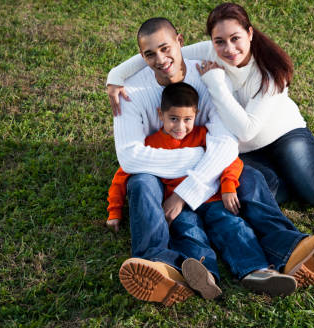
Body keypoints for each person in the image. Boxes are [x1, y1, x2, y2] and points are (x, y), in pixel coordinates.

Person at [109, 17, 314, 305]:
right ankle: (160, 265)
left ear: (181, 41)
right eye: (150, 54)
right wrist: (203, 159)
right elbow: (129, 157)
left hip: (208, 174)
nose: (161, 60)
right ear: (141, 57)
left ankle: (290, 249)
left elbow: (226, 144)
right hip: (162, 178)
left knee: (248, 178)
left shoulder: (209, 74)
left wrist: (191, 187)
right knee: (141, 182)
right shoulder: (128, 93)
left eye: (166, 49)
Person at [106, 3, 314, 206]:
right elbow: (166, 49)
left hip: (283, 136)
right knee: (266, 195)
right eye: (219, 41)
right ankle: (303, 174)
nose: (228, 49)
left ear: (250, 34)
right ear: (210, 42)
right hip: (247, 151)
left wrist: (215, 84)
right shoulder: (209, 51)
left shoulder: (270, 72)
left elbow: (246, 128)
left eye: (235, 39)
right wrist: (115, 76)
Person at [109, 82, 297, 298]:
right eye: (173, 119)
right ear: (160, 114)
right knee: (191, 233)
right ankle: (205, 276)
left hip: (214, 199)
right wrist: (114, 212)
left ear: (196, 115)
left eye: (187, 119)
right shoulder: (152, 143)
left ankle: (256, 271)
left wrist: (228, 186)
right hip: (180, 207)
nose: (180, 126)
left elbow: (230, 161)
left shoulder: (204, 136)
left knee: (234, 227)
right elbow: (122, 175)